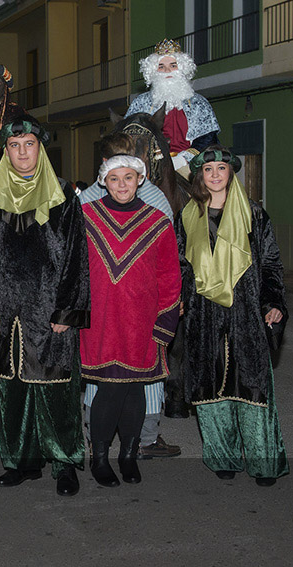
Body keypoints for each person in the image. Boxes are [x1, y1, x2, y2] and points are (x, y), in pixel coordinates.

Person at [0, 116, 89, 496]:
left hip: (49, 309)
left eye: (29, 144)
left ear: (40, 148)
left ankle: (65, 462)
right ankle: (22, 462)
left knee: (56, 390)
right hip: (4, 313)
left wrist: (66, 311)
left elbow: (76, 257)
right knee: (12, 390)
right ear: (5, 151)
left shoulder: (64, 196)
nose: (22, 152)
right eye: (14, 146)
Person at [176, 147, 289, 486]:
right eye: (207, 169)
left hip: (246, 309)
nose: (214, 174)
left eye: (220, 168)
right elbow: (180, 265)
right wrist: (179, 299)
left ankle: (263, 462)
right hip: (203, 312)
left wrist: (274, 302)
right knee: (211, 385)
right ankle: (222, 456)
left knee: (252, 386)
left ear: (231, 172)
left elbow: (270, 263)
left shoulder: (254, 213)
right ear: (200, 175)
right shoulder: (188, 215)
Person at [80, 155, 181, 488]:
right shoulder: (85, 216)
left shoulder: (157, 221)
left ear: (141, 179)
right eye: (114, 179)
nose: (121, 184)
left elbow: (169, 276)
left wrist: (165, 321)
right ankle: (99, 458)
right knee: (108, 390)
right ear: (102, 182)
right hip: (101, 321)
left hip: (142, 322)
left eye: (128, 177)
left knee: (136, 389)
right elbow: (73, 269)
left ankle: (128, 454)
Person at [126, 39, 220, 178]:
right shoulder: (141, 102)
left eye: (173, 65)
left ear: (182, 68)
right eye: (161, 66)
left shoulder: (199, 102)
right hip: (149, 165)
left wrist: (183, 159)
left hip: (189, 164)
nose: (167, 71)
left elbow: (207, 137)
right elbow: (129, 134)